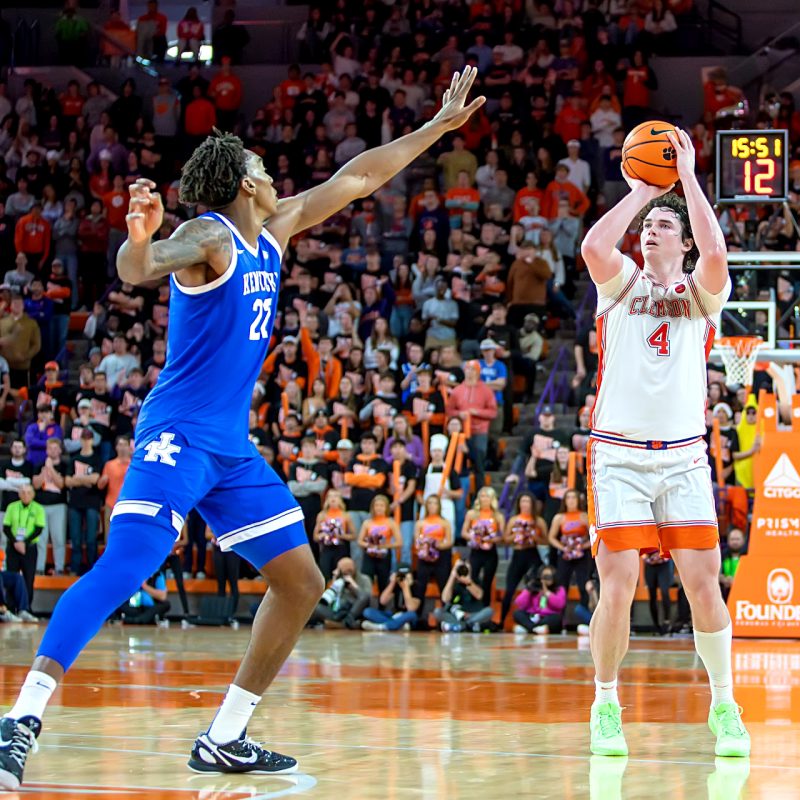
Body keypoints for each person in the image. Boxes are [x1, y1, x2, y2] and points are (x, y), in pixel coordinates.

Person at [0, 67, 484, 788]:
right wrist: (136, 238)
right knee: (127, 565)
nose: (271, 169)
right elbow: (143, 266)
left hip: (229, 446)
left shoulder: (277, 226)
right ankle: (20, 720)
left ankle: (225, 735)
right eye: (260, 165)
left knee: (301, 582)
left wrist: (434, 129)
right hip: (179, 433)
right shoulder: (208, 235)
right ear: (245, 184)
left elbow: (356, 179)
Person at [578, 125, 749, 758]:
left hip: (682, 457)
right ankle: (605, 701)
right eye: (647, 227)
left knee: (705, 584)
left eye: (663, 226)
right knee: (618, 584)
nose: (651, 232)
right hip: (617, 455)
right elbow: (596, 243)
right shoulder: (619, 283)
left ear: (682, 241)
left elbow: (717, 254)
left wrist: (689, 180)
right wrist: (644, 191)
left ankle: (725, 704)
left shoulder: (704, 296)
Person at [499, 492, 547, 624]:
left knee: (535, 587)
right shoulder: (514, 520)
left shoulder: (538, 521)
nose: (525, 504)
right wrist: (518, 535)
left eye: (527, 501)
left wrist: (533, 536)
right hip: (518, 555)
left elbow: (546, 540)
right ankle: (501, 621)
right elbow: (505, 539)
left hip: (532, 554)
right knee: (509, 588)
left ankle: (537, 617)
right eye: (522, 501)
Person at [547, 488, 591, 628]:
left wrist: (583, 546)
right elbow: (551, 537)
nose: (571, 500)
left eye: (574, 497)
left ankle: (584, 619)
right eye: (568, 498)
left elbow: (594, 536)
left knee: (583, 585)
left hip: (582, 555)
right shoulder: (559, 517)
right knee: (562, 586)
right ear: (564, 501)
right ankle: (559, 620)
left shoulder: (585, 516)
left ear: (579, 500)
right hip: (565, 555)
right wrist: (563, 548)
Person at [461, 486, 504, 600]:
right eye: (482, 496)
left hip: (490, 552)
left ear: (492, 499)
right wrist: (473, 537)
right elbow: (464, 532)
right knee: (473, 578)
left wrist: (490, 539)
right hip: (476, 551)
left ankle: (486, 607)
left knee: (487, 581)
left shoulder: (498, 516)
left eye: (487, 496)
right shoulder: (471, 514)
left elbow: (502, 537)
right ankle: (473, 605)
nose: (484, 499)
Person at [356, 494, 400, 595]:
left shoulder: (391, 522)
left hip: (384, 555)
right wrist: (369, 545)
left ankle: (382, 607)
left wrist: (384, 546)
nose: (379, 508)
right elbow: (359, 541)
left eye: (382, 505)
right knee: (366, 580)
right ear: (373, 507)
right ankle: (365, 606)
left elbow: (399, 542)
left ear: (386, 508)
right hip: (369, 555)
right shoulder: (367, 523)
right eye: (377, 505)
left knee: (383, 581)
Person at [512, 565, 567, 634]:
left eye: (549, 577)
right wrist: (528, 590)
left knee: (557, 618)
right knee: (517, 613)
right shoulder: (535, 587)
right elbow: (520, 604)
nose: (546, 579)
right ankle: (535, 628)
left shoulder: (559, 589)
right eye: (544, 577)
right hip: (533, 617)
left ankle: (529, 628)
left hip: (548, 617)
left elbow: (560, 605)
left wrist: (547, 592)